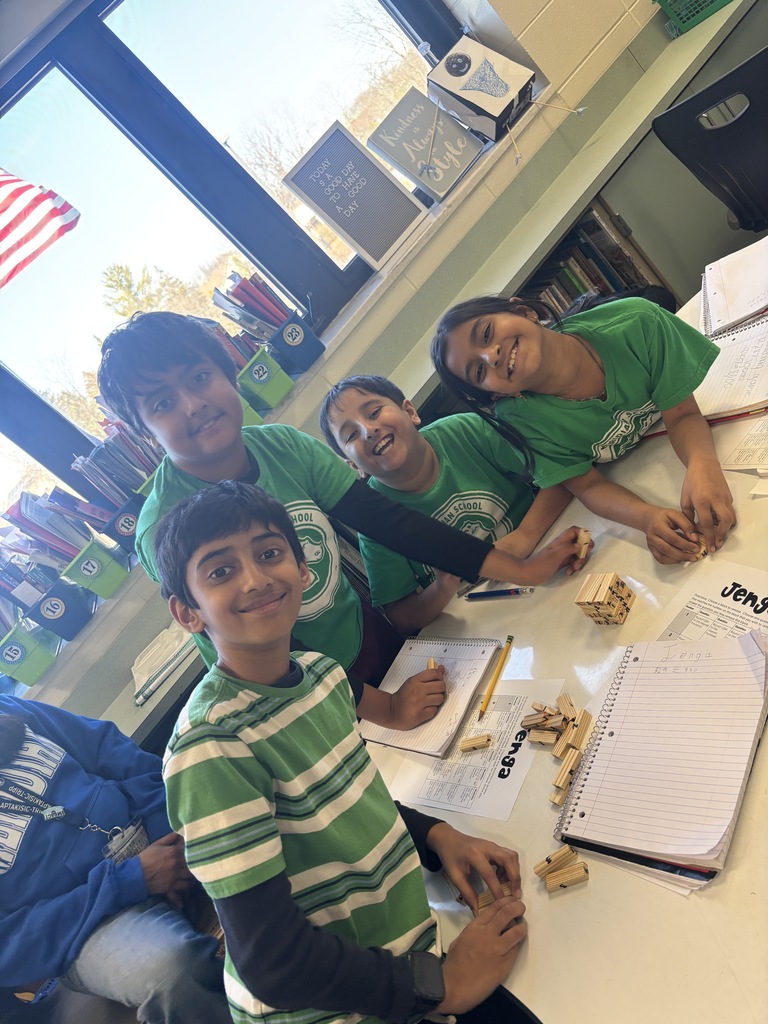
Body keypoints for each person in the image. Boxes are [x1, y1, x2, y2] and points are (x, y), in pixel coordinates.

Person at [154, 480, 539, 1024]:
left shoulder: (321, 676)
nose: (257, 578)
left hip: (397, 960)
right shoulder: (210, 746)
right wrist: (438, 988)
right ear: (187, 612)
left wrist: (437, 835)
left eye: (269, 554)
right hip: (337, 1008)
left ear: (304, 570)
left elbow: (344, 802)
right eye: (220, 571)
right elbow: (272, 962)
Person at [97, 311, 584, 731]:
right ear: (142, 430)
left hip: (364, 634)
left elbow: (389, 522)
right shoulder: (165, 526)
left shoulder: (282, 445)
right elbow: (269, 656)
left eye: (200, 378)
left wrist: (520, 568)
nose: (192, 404)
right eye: (161, 403)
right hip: (305, 694)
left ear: (229, 375)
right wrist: (387, 709)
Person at [430, 295, 736, 564]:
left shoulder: (638, 322)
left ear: (524, 312)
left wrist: (702, 464)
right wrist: (647, 517)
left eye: (486, 333)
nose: (490, 355)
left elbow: (682, 417)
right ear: (495, 395)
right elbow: (587, 486)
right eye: (479, 371)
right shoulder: (519, 422)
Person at [0, 696, 229, 1024]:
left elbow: (105, 748)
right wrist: (131, 880)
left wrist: (168, 828)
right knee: (173, 973)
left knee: (267, 813)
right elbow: (9, 944)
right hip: (87, 926)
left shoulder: (7, 707)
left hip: (161, 839)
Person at [320, 374, 583, 633]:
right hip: (487, 619)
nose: (368, 431)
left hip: (550, 553)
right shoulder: (373, 518)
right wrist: (442, 588)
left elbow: (562, 470)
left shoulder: (464, 431)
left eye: (374, 412)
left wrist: (526, 535)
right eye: (351, 434)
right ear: (354, 466)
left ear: (410, 411)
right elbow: (401, 616)